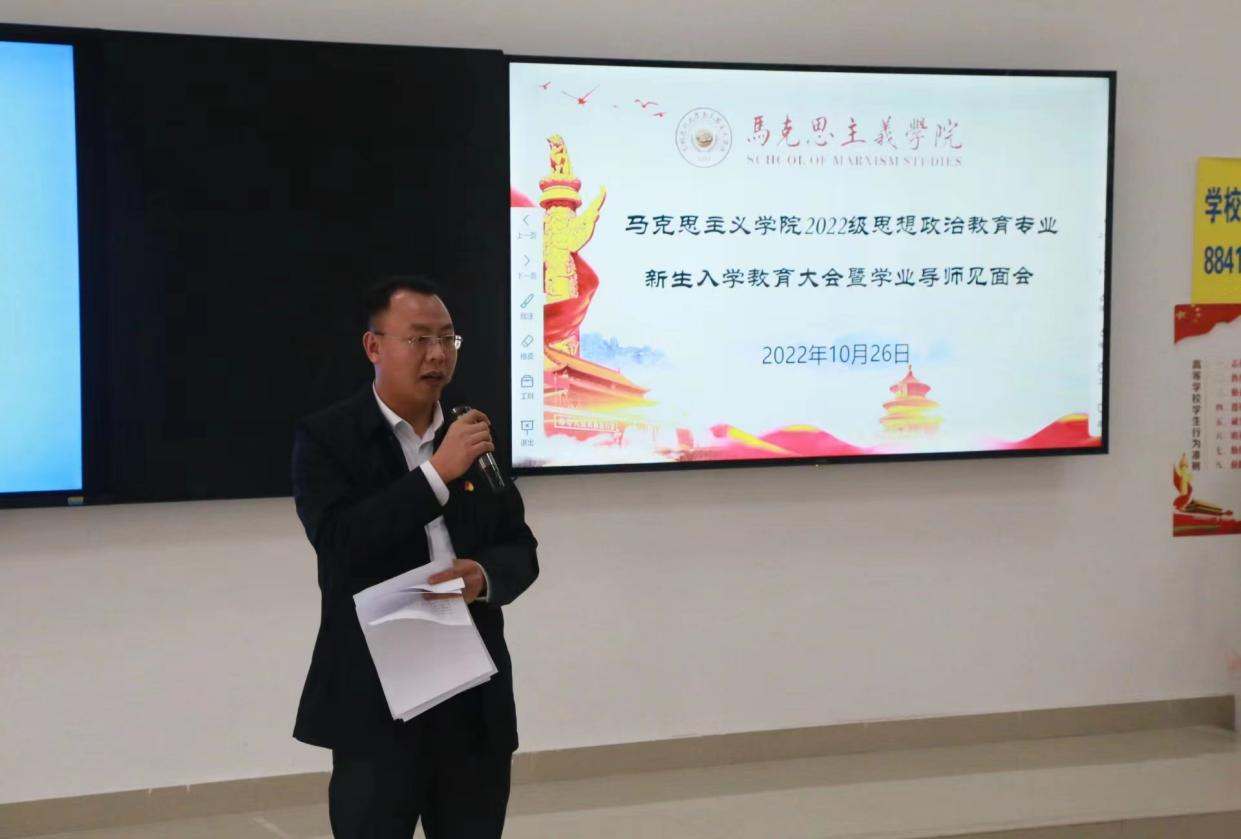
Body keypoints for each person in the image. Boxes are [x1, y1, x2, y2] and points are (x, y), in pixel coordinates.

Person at [290, 275, 539, 838]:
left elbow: (520, 547)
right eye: (419, 339)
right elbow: (339, 543)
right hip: (377, 696)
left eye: (448, 339)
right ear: (373, 346)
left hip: (472, 694)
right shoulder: (329, 438)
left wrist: (483, 576)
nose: (437, 355)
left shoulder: (472, 432)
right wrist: (435, 475)